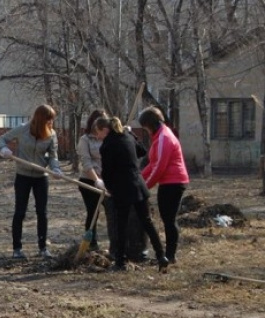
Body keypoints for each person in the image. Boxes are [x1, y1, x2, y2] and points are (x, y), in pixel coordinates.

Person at [95, 116, 170, 271]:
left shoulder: (107, 145)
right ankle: (161, 256)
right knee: (147, 222)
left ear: (105, 130)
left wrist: (107, 187)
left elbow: (107, 172)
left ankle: (120, 262)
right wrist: (132, 134)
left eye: (99, 133)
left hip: (122, 189)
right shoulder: (127, 136)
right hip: (138, 186)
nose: (98, 136)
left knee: (120, 225)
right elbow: (142, 151)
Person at [0, 104, 63, 259]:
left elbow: (53, 156)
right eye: (49, 120)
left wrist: (56, 169)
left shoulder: (51, 134)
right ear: (41, 119)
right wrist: (3, 150)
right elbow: (2, 139)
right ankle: (17, 249)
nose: (51, 123)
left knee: (42, 212)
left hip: (41, 177)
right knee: (20, 211)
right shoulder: (23, 129)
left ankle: (43, 247)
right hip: (23, 176)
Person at [139, 107, 189, 265]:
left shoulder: (164, 138)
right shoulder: (159, 136)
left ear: (150, 124)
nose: (146, 131)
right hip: (167, 182)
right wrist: (139, 179)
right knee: (167, 218)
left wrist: (145, 187)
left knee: (169, 219)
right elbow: (153, 164)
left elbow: (160, 167)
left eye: (145, 127)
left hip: (173, 182)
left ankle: (170, 255)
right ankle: (169, 254)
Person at [76, 109, 109, 251]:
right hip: (89, 182)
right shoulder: (85, 140)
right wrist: (97, 180)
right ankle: (91, 243)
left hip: (108, 181)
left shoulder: (109, 137)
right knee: (93, 211)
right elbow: (86, 163)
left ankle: (116, 242)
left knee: (112, 211)